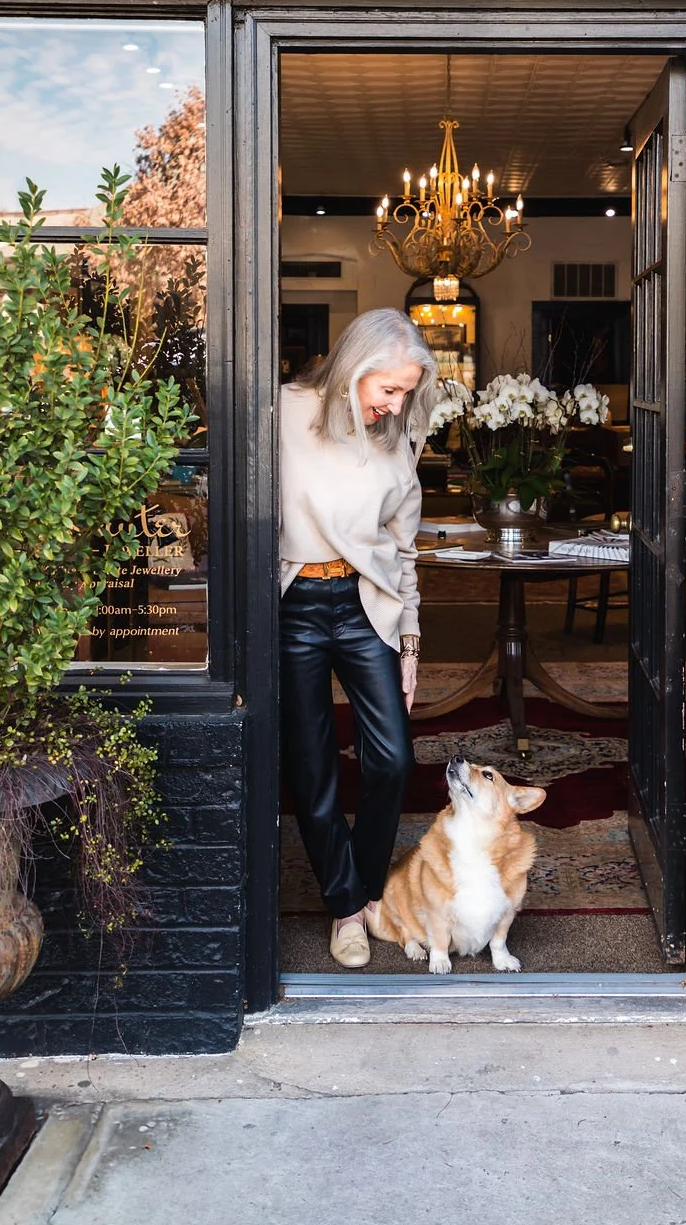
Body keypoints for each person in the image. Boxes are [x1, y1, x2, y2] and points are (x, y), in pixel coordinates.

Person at [279, 307, 437, 968]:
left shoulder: (395, 441)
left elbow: (405, 553)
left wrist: (410, 641)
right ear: (355, 367)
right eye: (388, 389)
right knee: (312, 770)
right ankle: (346, 906)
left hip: (362, 603)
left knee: (392, 760)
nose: (395, 404)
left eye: (406, 392)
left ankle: (367, 886)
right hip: (292, 607)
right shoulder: (285, 412)